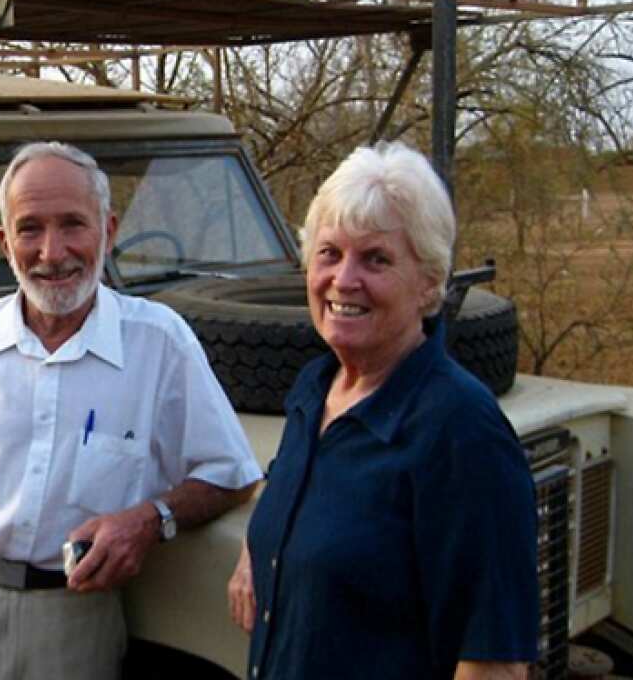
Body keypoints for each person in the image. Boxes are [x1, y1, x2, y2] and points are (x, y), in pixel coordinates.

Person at [0, 141, 262, 680]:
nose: (52, 253)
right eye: (30, 228)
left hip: (77, 615)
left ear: (110, 229)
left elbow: (231, 473)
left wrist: (149, 521)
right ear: (5, 243)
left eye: (73, 225)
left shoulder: (159, 344)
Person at [227, 142, 540, 680]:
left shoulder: (460, 429)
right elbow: (307, 490)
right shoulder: (315, 387)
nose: (344, 281)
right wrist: (263, 551)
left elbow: (494, 661)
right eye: (329, 253)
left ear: (428, 282)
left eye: (376, 259)